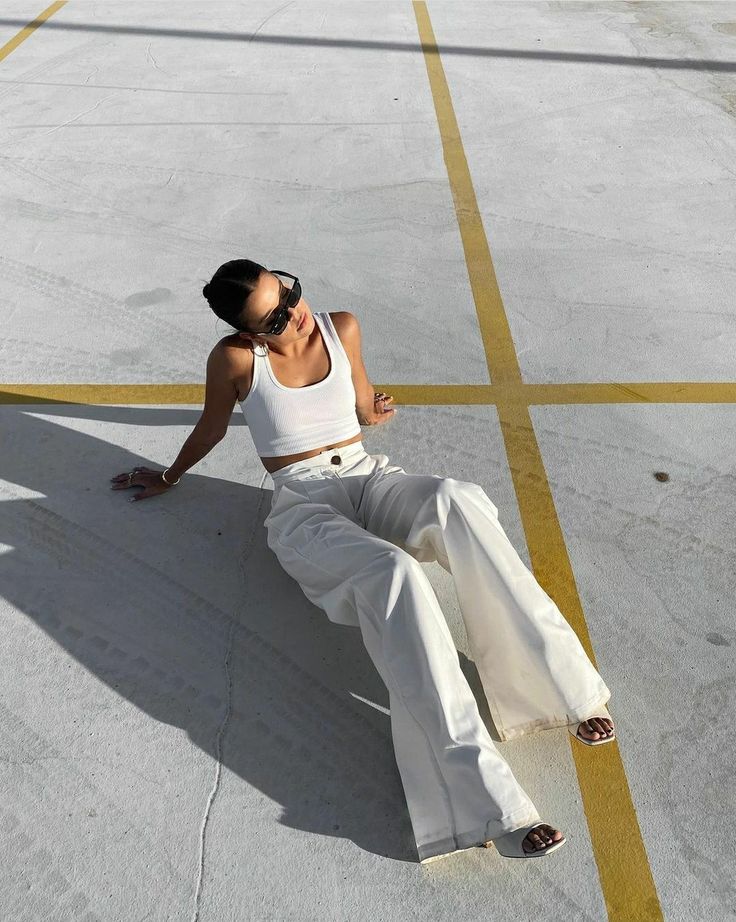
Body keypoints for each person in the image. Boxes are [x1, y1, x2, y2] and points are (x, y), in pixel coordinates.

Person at [111, 259, 615, 865]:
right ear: (247, 334)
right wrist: (169, 475)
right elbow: (213, 426)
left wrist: (375, 409)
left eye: (289, 293)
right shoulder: (236, 361)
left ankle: (562, 689)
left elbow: (360, 410)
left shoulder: (340, 327)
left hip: (365, 476)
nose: (292, 313)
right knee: (395, 575)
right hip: (303, 505)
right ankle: (489, 806)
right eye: (273, 317)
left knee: (456, 503)